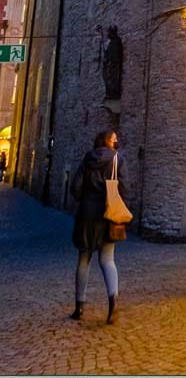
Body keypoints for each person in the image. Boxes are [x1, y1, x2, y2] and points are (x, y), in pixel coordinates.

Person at [70, 129, 129, 325]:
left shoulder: (88, 159)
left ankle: (79, 306)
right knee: (107, 260)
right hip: (108, 213)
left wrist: (85, 199)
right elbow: (124, 188)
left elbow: (75, 187)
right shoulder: (117, 160)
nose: (117, 141)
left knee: (84, 258)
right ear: (108, 141)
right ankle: (113, 301)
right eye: (115, 139)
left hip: (87, 213)